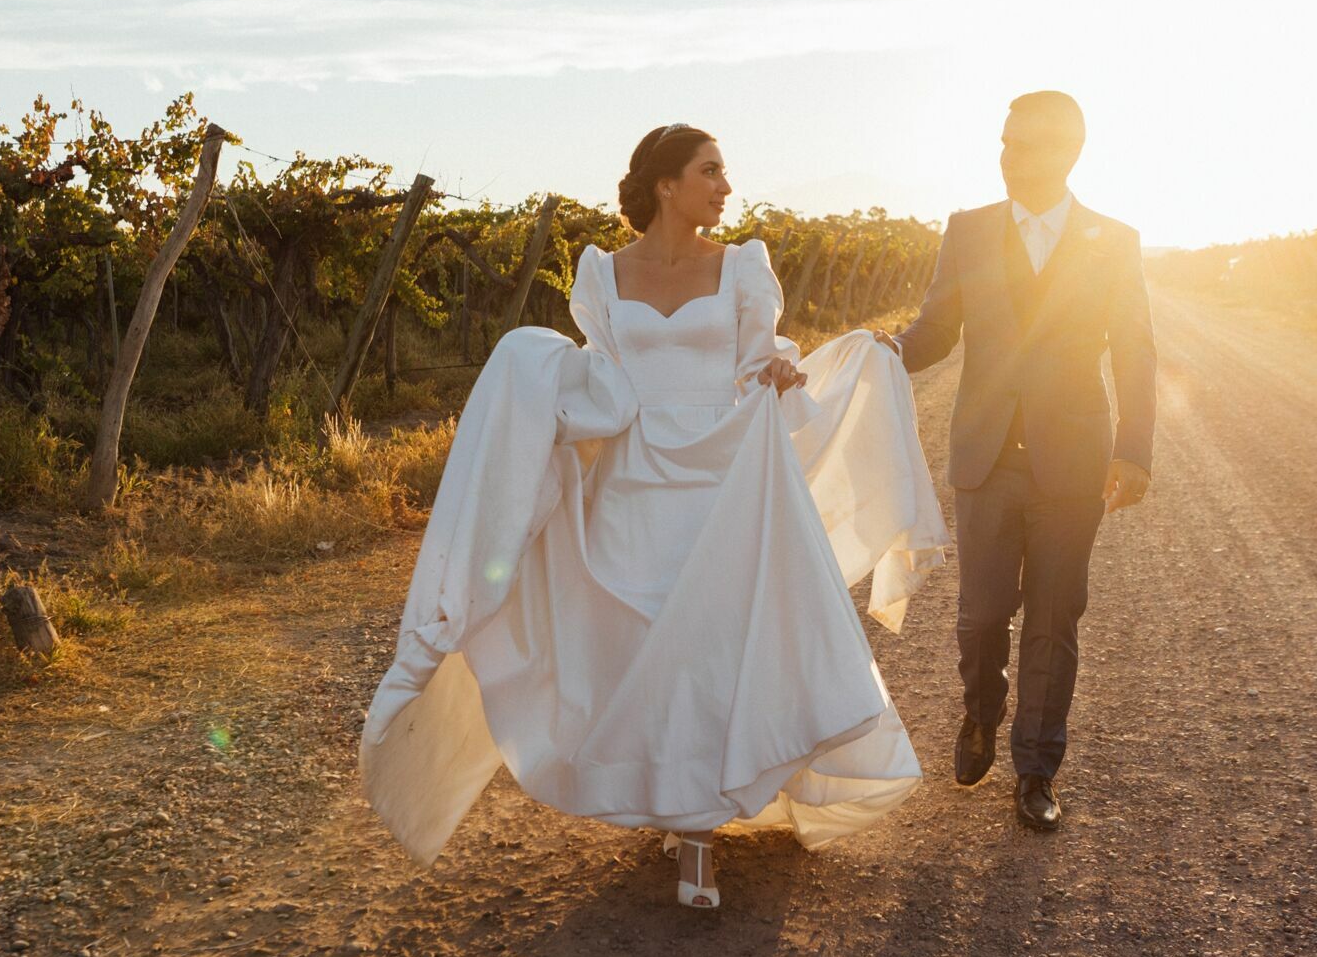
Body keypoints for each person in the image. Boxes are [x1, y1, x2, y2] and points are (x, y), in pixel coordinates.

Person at [361, 124, 948, 909]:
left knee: (708, 649)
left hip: (721, 474)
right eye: (711, 171)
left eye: (724, 173)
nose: (726, 187)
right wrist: (542, 382)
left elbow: (755, 358)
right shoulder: (601, 274)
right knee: (642, 649)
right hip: (635, 480)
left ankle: (698, 841)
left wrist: (776, 366)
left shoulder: (743, 265)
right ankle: (680, 799)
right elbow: (605, 378)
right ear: (666, 184)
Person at [875, 91, 1156, 831]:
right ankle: (980, 714)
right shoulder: (967, 231)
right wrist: (887, 353)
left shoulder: (1113, 240)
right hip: (986, 450)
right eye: (1002, 144)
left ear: (1067, 151)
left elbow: (1134, 349)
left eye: (1022, 145)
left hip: (1074, 457)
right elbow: (937, 327)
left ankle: (1036, 770)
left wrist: (1133, 448)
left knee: (1056, 617)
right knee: (980, 615)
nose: (1006, 158)